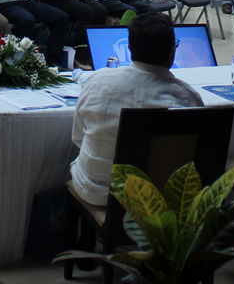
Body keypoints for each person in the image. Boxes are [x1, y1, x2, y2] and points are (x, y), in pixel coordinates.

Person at [69, 12, 203, 206]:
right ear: (172, 51)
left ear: (130, 48)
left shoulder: (99, 81)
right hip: (156, 200)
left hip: (96, 191)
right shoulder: (188, 98)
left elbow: (78, 137)